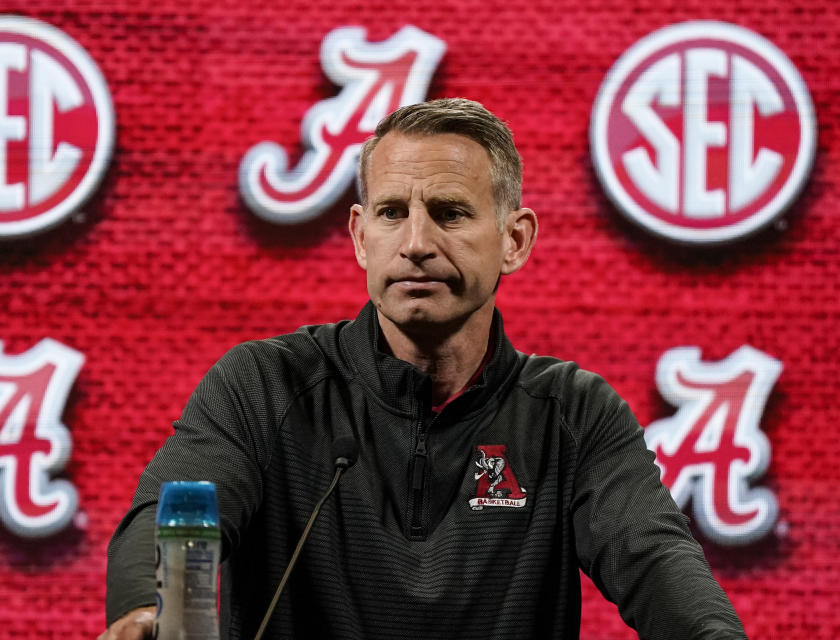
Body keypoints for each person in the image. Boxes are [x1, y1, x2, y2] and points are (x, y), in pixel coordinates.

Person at [101, 98, 747, 639]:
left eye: (450, 213)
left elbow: (658, 562)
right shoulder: (263, 387)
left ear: (515, 240)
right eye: (391, 213)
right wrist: (146, 613)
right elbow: (171, 517)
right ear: (360, 237)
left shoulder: (574, 416)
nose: (415, 243)